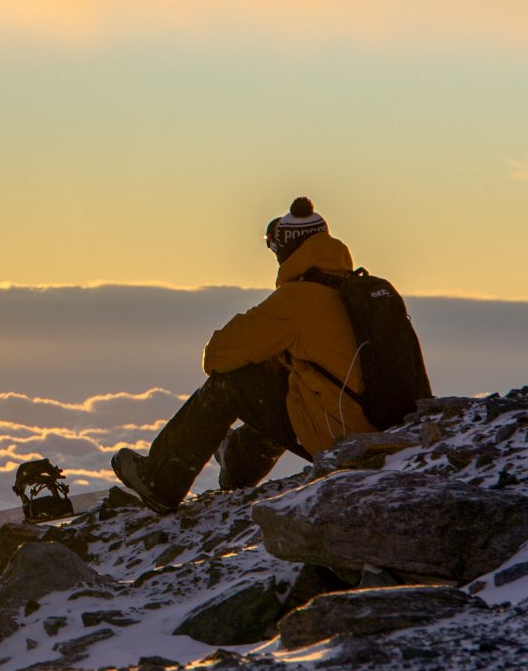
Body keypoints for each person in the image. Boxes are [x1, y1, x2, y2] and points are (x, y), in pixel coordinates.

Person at [110, 197, 380, 513]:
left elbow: (217, 355)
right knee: (290, 382)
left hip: (343, 437)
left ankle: (159, 480)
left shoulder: (297, 301)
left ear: (286, 249)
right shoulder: (357, 289)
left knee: (231, 382)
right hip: (379, 428)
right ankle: (237, 465)